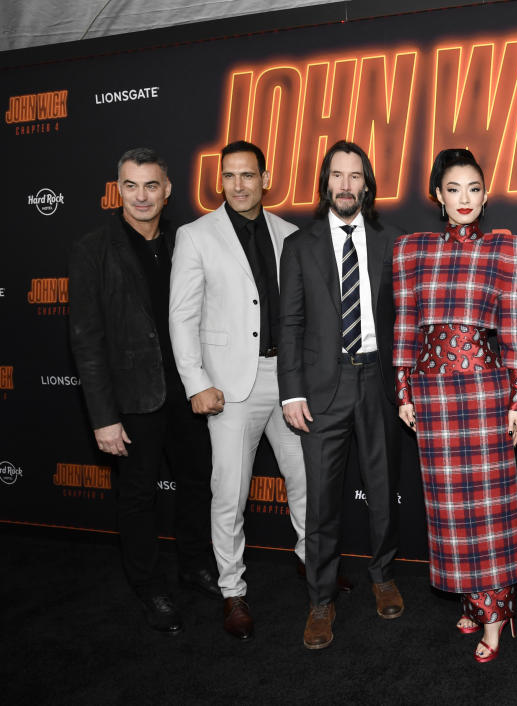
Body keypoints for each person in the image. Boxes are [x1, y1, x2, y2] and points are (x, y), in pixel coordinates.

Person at [393, 148, 517, 663]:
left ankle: (496, 612)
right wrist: (404, 390)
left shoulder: (509, 249)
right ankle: (473, 601)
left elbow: (516, 329)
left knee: (490, 510)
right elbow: (406, 323)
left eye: (474, 187)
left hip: (485, 392)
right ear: (437, 195)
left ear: (486, 192)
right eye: (454, 188)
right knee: (450, 510)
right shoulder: (411, 250)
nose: (465, 199)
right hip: (432, 396)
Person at [69, 148, 217, 634]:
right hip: (133, 398)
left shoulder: (187, 241)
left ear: (167, 189)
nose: (141, 196)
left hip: (189, 388)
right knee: (137, 497)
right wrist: (102, 416)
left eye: (151, 185)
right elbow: (86, 341)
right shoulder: (94, 249)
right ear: (118, 189)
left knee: (197, 485)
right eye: (130, 185)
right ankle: (148, 585)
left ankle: (194, 566)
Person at [168, 140, 308, 640]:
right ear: (220, 180)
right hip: (227, 386)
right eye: (229, 176)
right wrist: (196, 383)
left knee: (305, 480)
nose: (239, 185)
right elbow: (181, 316)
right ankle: (232, 591)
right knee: (229, 493)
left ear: (266, 179)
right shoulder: (195, 235)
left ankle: (312, 565)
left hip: (287, 381)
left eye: (248, 175)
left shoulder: (291, 233)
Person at [278, 141, 405, 650]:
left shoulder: (391, 241)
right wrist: (291, 391)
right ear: (325, 182)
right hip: (322, 389)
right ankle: (320, 601)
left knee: (382, 492)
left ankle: (383, 576)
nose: (346, 185)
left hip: (377, 382)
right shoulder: (299, 245)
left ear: (367, 185)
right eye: (337, 175)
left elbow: (404, 320)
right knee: (322, 505)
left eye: (355, 176)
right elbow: (288, 323)